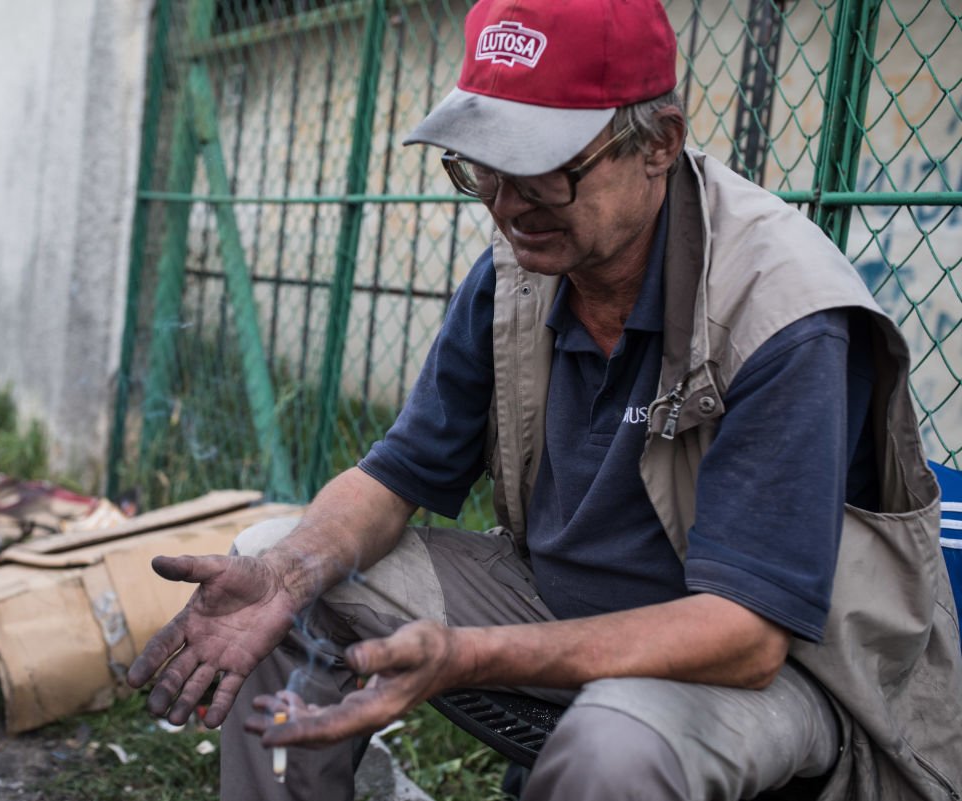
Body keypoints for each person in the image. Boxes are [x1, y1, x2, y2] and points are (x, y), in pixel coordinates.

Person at [127, 0, 962, 798]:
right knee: (281, 576)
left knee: (612, 748)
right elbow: (396, 474)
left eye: (542, 169)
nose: (506, 202)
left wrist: (472, 653)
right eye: (484, 166)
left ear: (660, 143)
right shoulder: (517, 274)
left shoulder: (782, 310)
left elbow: (747, 638)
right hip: (549, 602)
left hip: (767, 674)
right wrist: (285, 573)